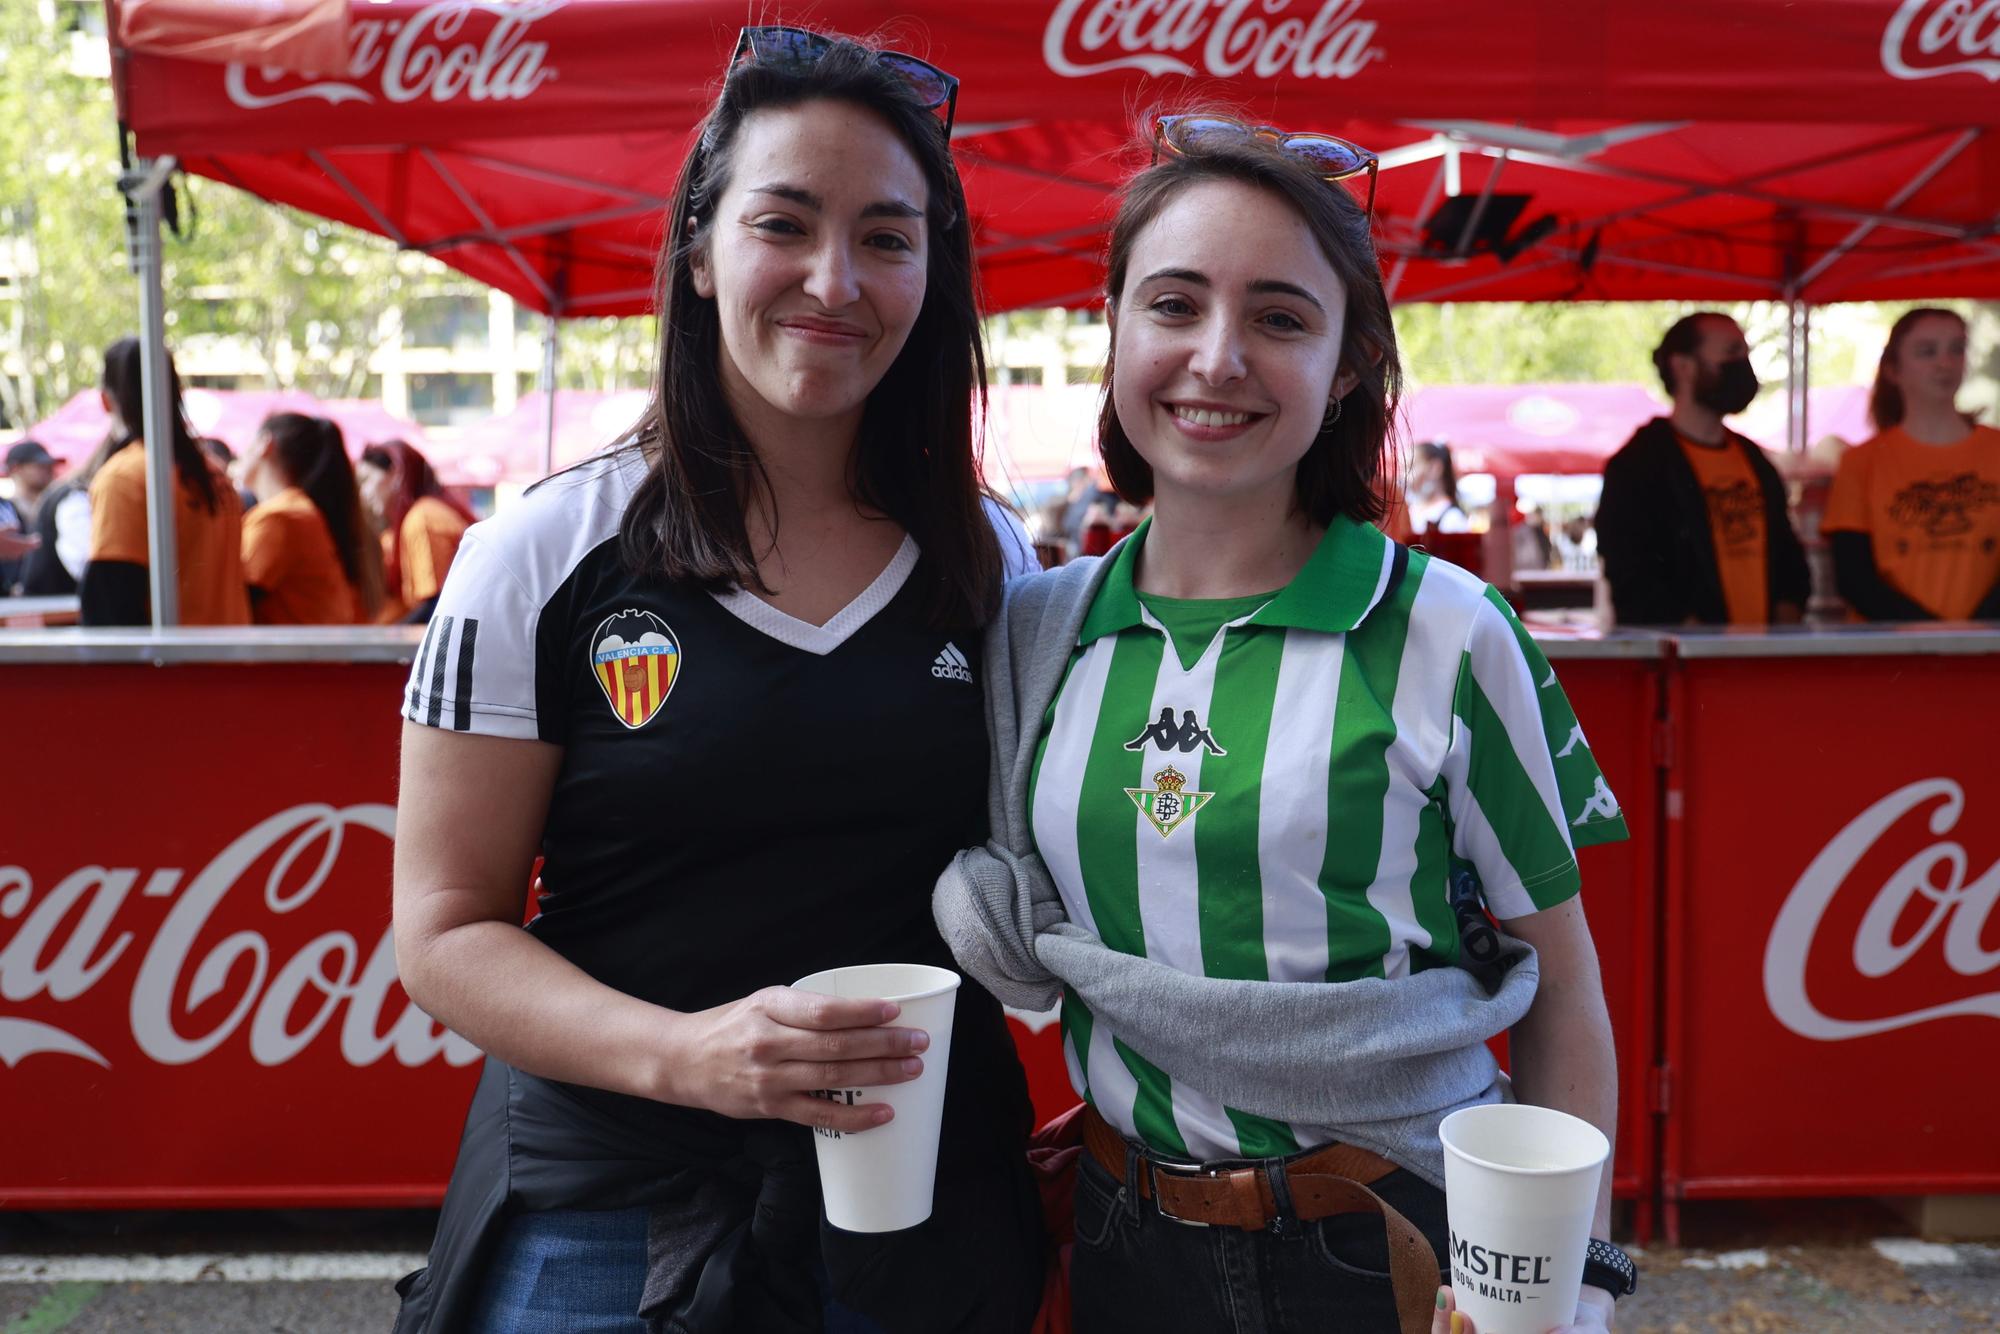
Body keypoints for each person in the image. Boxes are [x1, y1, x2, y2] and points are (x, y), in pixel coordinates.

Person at [390, 27, 1042, 1334]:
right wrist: (690, 1053)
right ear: (699, 250)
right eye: (784, 223)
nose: (834, 279)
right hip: (611, 1209)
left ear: (934, 272)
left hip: (918, 1213)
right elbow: (445, 931)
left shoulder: (990, 555)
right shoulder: (541, 551)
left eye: (888, 237)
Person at [935, 113, 1632, 1334]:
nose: (1216, 357)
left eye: (1278, 316)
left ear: (1349, 362)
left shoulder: (1448, 629)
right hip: (1117, 1237)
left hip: (1394, 1237)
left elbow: (1563, 987)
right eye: (1172, 303)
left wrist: (1560, 1278)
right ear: (1110, 327)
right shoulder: (1034, 629)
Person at [1595, 312, 1809, 626]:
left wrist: (1786, 613)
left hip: (1762, 660)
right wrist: (1688, 631)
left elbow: (1787, 554)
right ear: (1683, 366)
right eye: (1732, 353)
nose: (1742, 365)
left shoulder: (1753, 459)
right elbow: (1630, 571)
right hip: (1689, 665)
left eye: (1745, 354)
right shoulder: (1639, 465)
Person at [1825, 307, 2000, 621]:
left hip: (1987, 648)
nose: (1944, 364)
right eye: (1927, 352)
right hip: (1892, 653)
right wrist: (1928, 635)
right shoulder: (1862, 461)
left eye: (1956, 349)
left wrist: (1974, 631)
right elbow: (1853, 575)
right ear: (1893, 370)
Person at [80, 336, 248, 626]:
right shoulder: (214, 472)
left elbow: (111, 604)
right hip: (226, 657)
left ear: (105, 401)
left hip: (175, 664)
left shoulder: (124, 478)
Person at [240, 413, 385, 624]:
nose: (241, 457)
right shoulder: (298, 512)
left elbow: (234, 597)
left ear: (265, 444)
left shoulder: (279, 518)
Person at [357, 438, 472, 624]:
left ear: (396, 473)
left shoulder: (422, 519)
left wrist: (390, 644)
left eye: (366, 480)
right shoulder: (411, 520)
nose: (364, 493)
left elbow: (434, 604)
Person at [1, 439, 56, 594]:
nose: (49, 470)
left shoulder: (58, 506)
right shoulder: (4, 510)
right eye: (40, 466)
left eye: (50, 465)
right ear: (15, 468)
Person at [1405, 440, 1470, 534]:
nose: (1404, 476)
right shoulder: (1411, 510)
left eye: (1410, 467)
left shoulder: (1452, 519)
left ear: (1435, 468)